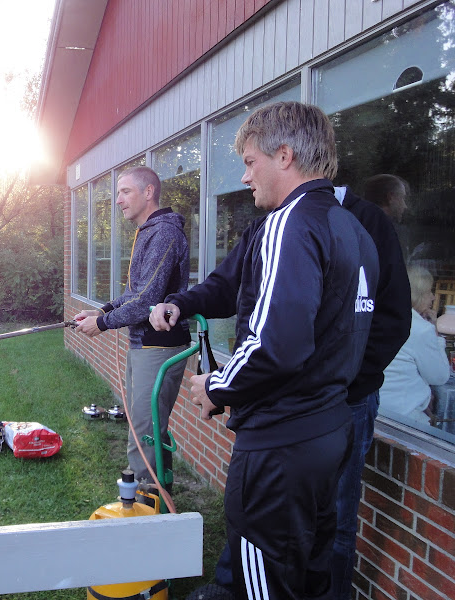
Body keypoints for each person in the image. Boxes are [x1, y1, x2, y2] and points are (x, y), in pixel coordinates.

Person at [152, 101, 379, 600]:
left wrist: (217, 385)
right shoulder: (354, 228)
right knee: (309, 576)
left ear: (285, 155)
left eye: (250, 162)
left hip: (281, 446)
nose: (245, 176)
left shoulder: (289, 223)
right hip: (329, 432)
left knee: (256, 586)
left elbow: (278, 346)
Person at [73, 165, 191, 488]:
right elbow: (134, 294)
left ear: (148, 192)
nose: (118, 200)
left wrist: (103, 323)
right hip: (144, 345)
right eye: (118, 193)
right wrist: (101, 310)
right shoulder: (148, 231)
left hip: (160, 346)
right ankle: (155, 501)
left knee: (144, 433)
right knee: (149, 429)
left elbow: (146, 300)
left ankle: (144, 504)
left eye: (125, 192)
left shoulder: (164, 233)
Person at [379, 264, 451, 427]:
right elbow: (440, 376)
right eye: (429, 292)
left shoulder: (382, 316)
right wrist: (435, 333)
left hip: (378, 409)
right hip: (404, 417)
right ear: (417, 295)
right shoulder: (421, 329)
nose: (433, 297)